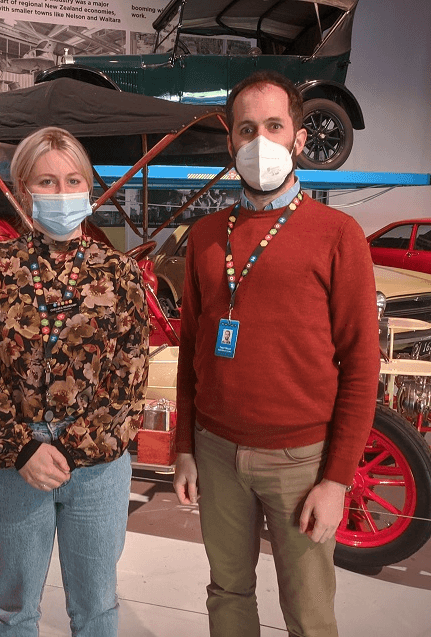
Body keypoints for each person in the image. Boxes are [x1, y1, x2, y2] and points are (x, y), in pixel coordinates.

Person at [173, 71, 380, 637]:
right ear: (230, 141)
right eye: (246, 129)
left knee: (309, 613)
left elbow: (362, 365)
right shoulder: (206, 235)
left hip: (300, 460)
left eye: (273, 126)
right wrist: (185, 446)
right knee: (227, 593)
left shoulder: (338, 234)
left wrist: (337, 480)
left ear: (299, 138)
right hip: (216, 452)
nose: (259, 141)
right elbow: (192, 350)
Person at [0, 126, 149, 637]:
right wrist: (22, 449)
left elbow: (128, 376)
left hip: (97, 468)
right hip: (11, 464)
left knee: (97, 605)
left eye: (72, 181)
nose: (62, 193)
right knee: (13, 607)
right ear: (24, 191)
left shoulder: (119, 272)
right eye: (47, 182)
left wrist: (73, 445)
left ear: (88, 187)